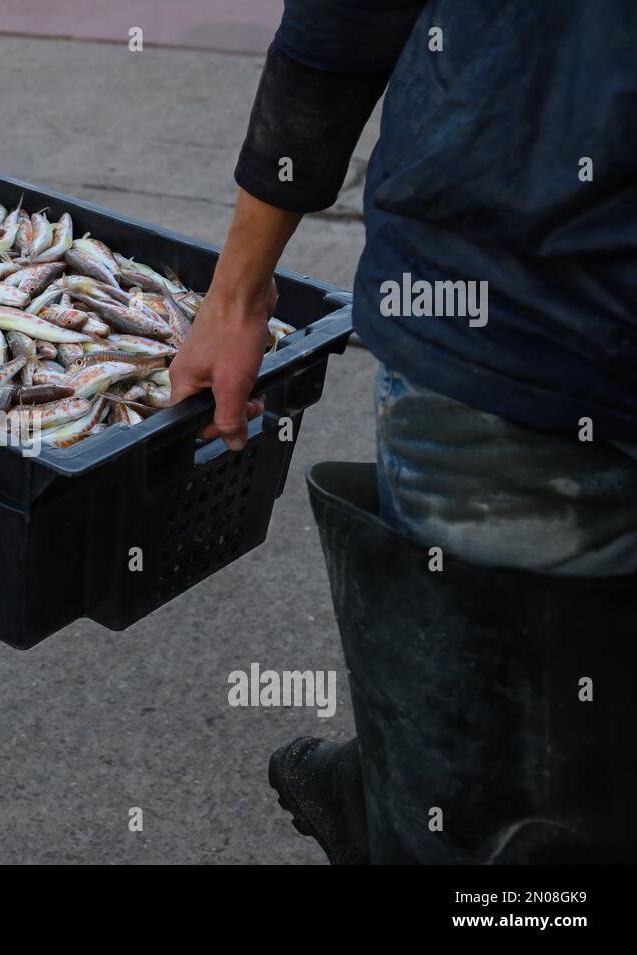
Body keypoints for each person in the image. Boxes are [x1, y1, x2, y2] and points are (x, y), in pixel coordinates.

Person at [170, 0, 637, 863]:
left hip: (515, 306)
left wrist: (237, 293)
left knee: (486, 813)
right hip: (519, 324)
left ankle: (399, 793)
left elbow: (344, 20)